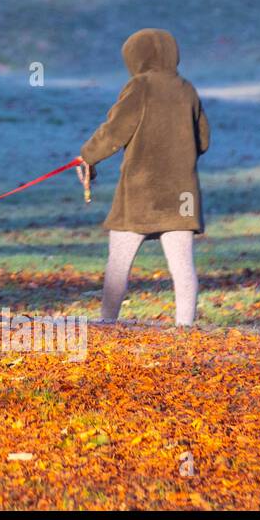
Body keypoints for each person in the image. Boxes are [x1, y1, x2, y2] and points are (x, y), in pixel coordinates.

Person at [76, 28, 210, 326]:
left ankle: (107, 322)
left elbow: (114, 131)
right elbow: (204, 139)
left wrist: (87, 156)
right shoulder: (187, 89)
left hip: (140, 192)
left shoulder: (139, 86)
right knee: (183, 265)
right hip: (182, 194)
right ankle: (185, 327)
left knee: (119, 263)